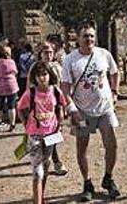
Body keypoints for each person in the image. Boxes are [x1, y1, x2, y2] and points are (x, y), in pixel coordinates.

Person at [61, 23, 121, 201]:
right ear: (78, 38)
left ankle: (108, 179)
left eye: (92, 36)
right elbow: (64, 88)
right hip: (81, 111)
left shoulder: (103, 54)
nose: (89, 39)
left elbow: (114, 72)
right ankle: (87, 183)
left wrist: (115, 92)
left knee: (112, 145)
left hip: (105, 108)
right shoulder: (70, 59)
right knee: (82, 147)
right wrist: (72, 109)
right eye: (85, 36)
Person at [18, 61, 68, 204]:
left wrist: (60, 121)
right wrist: (26, 124)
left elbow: (60, 106)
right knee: (37, 171)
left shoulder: (56, 91)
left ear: (49, 75)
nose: (42, 78)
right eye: (39, 75)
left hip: (51, 134)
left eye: (44, 74)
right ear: (35, 77)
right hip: (35, 135)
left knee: (45, 168)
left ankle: (40, 196)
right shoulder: (31, 93)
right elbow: (20, 107)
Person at [29, 41, 69, 176]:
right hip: (40, 107)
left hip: (54, 105)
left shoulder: (57, 67)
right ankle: (56, 162)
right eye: (46, 52)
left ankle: (51, 158)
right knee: (48, 134)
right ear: (40, 54)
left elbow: (62, 85)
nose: (49, 55)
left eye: (51, 52)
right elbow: (29, 86)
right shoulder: (35, 67)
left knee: (54, 133)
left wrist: (63, 107)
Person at [0, 43, 19, 132]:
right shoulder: (11, 62)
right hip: (11, 85)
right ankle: (12, 125)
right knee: (11, 106)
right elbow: (15, 72)